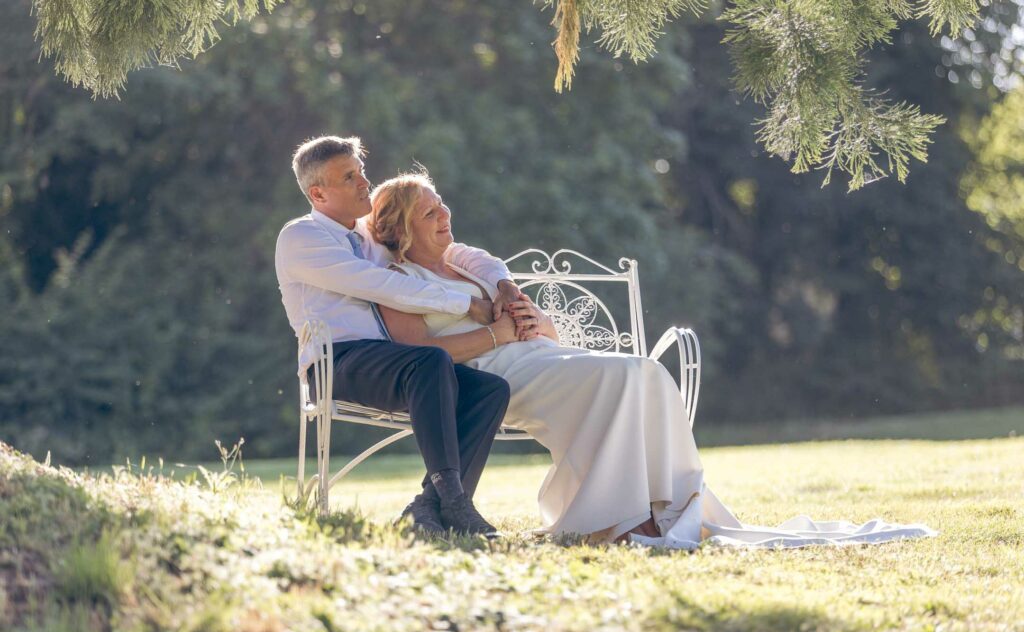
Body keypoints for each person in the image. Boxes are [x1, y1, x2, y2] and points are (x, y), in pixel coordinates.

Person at [368, 171, 938, 548]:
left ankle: (664, 506)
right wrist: (496, 335)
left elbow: (531, 310)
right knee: (626, 373)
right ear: (400, 229)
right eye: (429, 215)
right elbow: (422, 357)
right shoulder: (397, 279)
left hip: (539, 354)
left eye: (443, 207)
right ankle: (608, 518)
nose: (444, 218)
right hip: (487, 377)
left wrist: (525, 316)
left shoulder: (466, 265)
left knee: (645, 371)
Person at [275, 136, 526, 537]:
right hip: (334, 362)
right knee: (431, 359)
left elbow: (460, 253)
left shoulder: (369, 233)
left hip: (396, 363)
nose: (364, 183)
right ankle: (456, 503)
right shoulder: (301, 238)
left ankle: (427, 505)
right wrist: (466, 303)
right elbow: (379, 285)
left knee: (490, 390)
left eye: (361, 172)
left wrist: (504, 283)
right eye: (349, 177)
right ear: (318, 193)